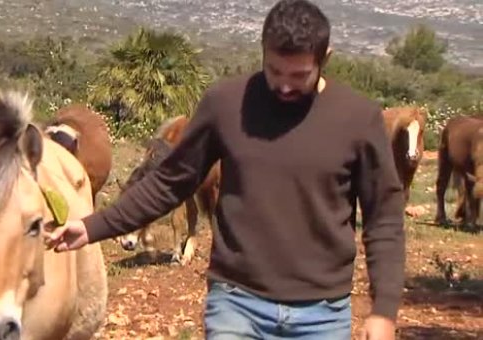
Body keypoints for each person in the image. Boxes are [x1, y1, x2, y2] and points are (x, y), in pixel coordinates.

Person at [44, 0, 406, 339]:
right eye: (273, 70)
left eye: (299, 76)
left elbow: (384, 220)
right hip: (237, 304)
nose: (282, 85)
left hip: (323, 314)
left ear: (325, 58)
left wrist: (384, 310)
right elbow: (170, 182)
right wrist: (93, 227)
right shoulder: (226, 103)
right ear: (262, 50)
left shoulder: (358, 118)